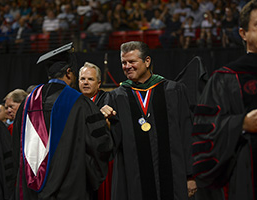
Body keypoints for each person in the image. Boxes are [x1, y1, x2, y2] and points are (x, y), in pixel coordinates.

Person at [11, 42, 113, 200]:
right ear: (69, 72)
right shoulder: (80, 103)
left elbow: (16, 146)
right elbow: (99, 147)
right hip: (71, 188)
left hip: (30, 189)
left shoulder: (27, 103)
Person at [100, 41, 196, 200]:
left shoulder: (173, 91)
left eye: (132, 61)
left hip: (173, 177)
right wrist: (106, 124)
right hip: (133, 181)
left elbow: (187, 133)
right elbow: (111, 146)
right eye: (124, 63)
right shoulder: (116, 97)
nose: (127, 66)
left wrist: (190, 175)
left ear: (147, 61)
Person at [192, 1, 257, 200]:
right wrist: (241, 124)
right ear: (243, 33)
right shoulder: (226, 77)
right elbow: (204, 129)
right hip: (247, 177)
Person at [78, 62, 113, 200]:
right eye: (82, 79)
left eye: (90, 79)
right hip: (80, 162)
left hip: (102, 162)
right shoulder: (73, 102)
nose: (86, 82)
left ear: (99, 83)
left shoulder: (108, 100)